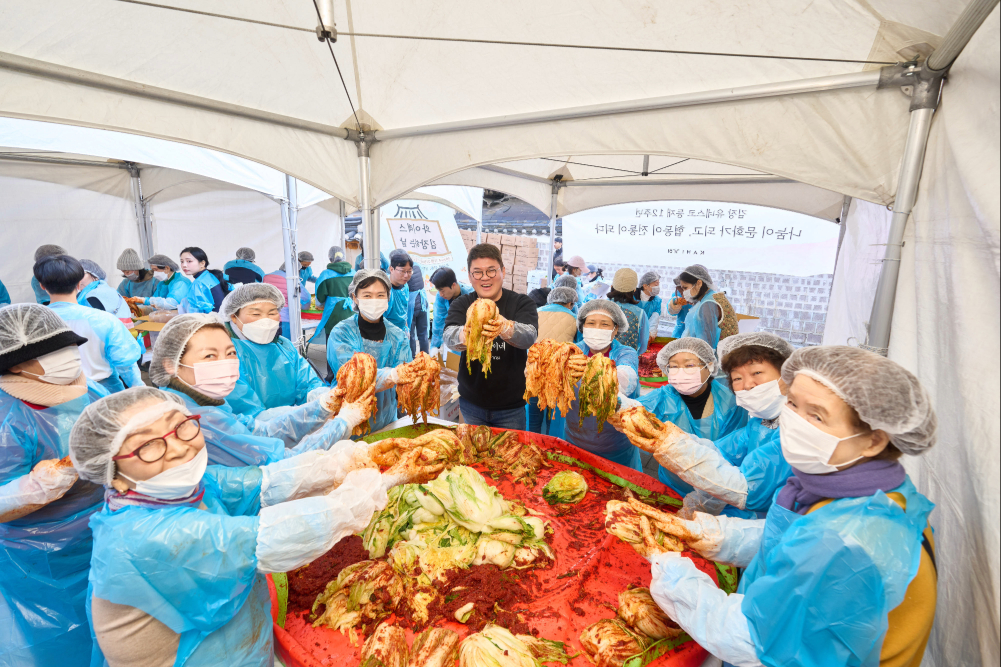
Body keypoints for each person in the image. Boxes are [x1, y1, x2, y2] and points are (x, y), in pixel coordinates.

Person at [68, 387, 440, 667]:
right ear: (113, 473)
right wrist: (385, 481)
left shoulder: (183, 489)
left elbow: (267, 481)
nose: (179, 448)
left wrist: (355, 458)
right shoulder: (146, 537)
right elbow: (273, 537)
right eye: (148, 446)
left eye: (181, 427)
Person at [645, 346, 937, 667]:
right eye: (793, 404)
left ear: (874, 440)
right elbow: (789, 540)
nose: (794, 421)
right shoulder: (868, 492)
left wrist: (668, 569)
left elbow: (756, 639)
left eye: (817, 415)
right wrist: (703, 533)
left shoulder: (845, 542)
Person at [0, 303, 108, 666]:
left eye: (67, 347)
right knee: (57, 638)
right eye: (50, 352)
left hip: (101, 530)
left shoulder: (88, 389)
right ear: (14, 364)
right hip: (35, 556)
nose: (68, 357)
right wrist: (36, 487)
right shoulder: (7, 418)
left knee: (110, 626)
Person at [150, 313, 366, 466]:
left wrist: (322, 406)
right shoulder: (194, 420)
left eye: (230, 353)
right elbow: (280, 462)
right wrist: (342, 423)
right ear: (170, 365)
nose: (225, 362)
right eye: (209, 356)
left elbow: (263, 432)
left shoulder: (206, 403)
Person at [623, 332, 794, 519]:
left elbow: (749, 492)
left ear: (786, 372)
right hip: (681, 487)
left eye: (757, 373)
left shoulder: (796, 430)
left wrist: (672, 448)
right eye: (737, 378)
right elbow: (719, 451)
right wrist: (670, 441)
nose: (747, 385)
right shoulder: (760, 424)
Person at [443, 243, 538, 429]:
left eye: (491, 270)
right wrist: (464, 335)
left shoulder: (522, 302)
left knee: (510, 448)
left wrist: (505, 327)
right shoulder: (462, 304)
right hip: (471, 402)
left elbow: (529, 336)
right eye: (477, 272)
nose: (485, 277)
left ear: (503, 271)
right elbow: (448, 335)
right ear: (470, 276)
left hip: (511, 406)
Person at [638, 337, 746, 496]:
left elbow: (734, 451)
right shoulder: (664, 396)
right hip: (671, 481)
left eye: (689, 365)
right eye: (674, 366)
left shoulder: (730, 404)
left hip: (714, 486)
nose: (680, 372)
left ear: (709, 366)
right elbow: (633, 411)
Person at [35, 255, 143, 393]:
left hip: (55, 397)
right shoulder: (104, 320)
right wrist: (142, 392)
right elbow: (126, 365)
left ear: (42, 286)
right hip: (105, 395)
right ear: (78, 284)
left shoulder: (33, 323)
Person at [326, 269, 413, 433]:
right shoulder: (341, 333)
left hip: (387, 420)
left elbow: (407, 376)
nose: (374, 301)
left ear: (388, 297)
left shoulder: (397, 336)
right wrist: (392, 375)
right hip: (348, 421)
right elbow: (350, 375)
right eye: (367, 295)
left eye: (380, 295)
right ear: (355, 298)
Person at [220, 284, 327, 417]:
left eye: (272, 313)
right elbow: (246, 412)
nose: (266, 320)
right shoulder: (224, 353)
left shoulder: (284, 345)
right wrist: (292, 419)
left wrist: (322, 398)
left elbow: (307, 383)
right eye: (256, 314)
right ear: (233, 317)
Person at [561, 300, 641, 469]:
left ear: (615, 329)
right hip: (575, 439)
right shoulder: (571, 351)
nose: (597, 328)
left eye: (604, 324)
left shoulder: (625, 353)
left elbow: (625, 380)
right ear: (582, 326)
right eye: (591, 323)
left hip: (614, 444)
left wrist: (587, 368)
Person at [527, 285, 580, 438]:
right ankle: (550, 445)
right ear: (570, 303)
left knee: (534, 414)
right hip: (559, 374)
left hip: (534, 370)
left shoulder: (535, 313)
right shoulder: (574, 318)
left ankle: (532, 443)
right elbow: (578, 347)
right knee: (554, 415)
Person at [311, 245, 355, 344]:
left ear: (330, 258)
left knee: (333, 340)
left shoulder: (325, 275)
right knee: (351, 341)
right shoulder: (354, 273)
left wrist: (319, 305)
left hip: (333, 313)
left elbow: (320, 298)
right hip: (352, 311)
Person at [674, 264, 724, 348]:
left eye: (685, 288)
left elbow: (707, 346)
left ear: (699, 283)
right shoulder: (709, 297)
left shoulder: (708, 304)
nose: (684, 292)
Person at [428, 267, 473, 357]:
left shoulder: (470, 295)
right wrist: (435, 346)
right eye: (438, 290)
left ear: (453, 285)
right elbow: (438, 321)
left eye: (442, 290)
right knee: (456, 361)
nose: (441, 294)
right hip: (455, 341)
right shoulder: (441, 297)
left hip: (472, 339)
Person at [263, 261, 310, 340]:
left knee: (270, 341)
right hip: (284, 317)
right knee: (285, 342)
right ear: (295, 270)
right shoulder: (291, 279)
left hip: (267, 315)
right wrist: (305, 307)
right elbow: (306, 297)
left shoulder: (266, 276)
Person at [607, 268, 650, 354]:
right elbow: (643, 345)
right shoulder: (640, 314)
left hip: (599, 359)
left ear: (612, 287)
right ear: (634, 290)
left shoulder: (599, 307)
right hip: (627, 359)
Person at [177, 247, 229, 314]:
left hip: (213, 319)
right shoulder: (211, 275)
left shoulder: (199, 283)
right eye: (182, 262)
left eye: (189, 261)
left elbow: (197, 314)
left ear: (202, 263)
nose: (184, 265)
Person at [385, 250, 413, 333]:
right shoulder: (384, 288)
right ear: (391, 269)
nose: (406, 275)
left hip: (401, 331)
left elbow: (404, 309)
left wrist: (406, 328)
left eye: (409, 271)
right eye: (402, 271)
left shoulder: (405, 285)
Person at [406, 260, 430, 356]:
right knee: (423, 334)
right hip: (422, 304)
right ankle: (425, 357)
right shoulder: (417, 266)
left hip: (411, 307)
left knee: (411, 335)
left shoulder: (404, 272)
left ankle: (412, 358)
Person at [635, 271, 662, 344]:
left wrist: (650, 334)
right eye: (655, 284)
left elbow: (654, 319)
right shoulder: (632, 297)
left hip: (645, 335)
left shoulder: (657, 301)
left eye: (658, 284)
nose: (658, 287)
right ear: (645, 286)